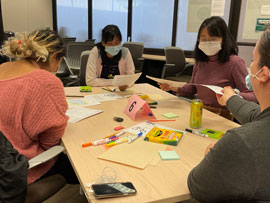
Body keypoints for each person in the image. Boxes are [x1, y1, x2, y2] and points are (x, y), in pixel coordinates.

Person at [187, 28, 270, 202]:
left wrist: (212, 156)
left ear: (263, 74)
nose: (250, 67)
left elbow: (197, 185)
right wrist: (231, 98)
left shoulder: (239, 143)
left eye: (253, 60)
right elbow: (258, 116)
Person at [0, 30, 77, 185]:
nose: (56, 69)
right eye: (59, 63)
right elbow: (51, 143)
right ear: (56, 57)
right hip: (16, 169)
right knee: (79, 164)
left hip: (5, 162)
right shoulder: (44, 81)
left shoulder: (3, 67)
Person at [159, 16, 256, 120]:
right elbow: (192, 88)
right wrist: (174, 87)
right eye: (204, 39)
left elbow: (253, 95)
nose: (208, 42)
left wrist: (234, 95)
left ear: (223, 39)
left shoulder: (235, 63)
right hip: (200, 111)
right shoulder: (200, 61)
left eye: (213, 39)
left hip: (223, 115)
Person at [86, 24, 135, 90]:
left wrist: (126, 84)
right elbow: (90, 81)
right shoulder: (96, 52)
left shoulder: (125, 52)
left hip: (119, 92)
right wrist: (116, 82)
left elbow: (131, 78)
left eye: (117, 43)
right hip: (99, 91)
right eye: (110, 43)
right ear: (103, 43)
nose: (114, 46)